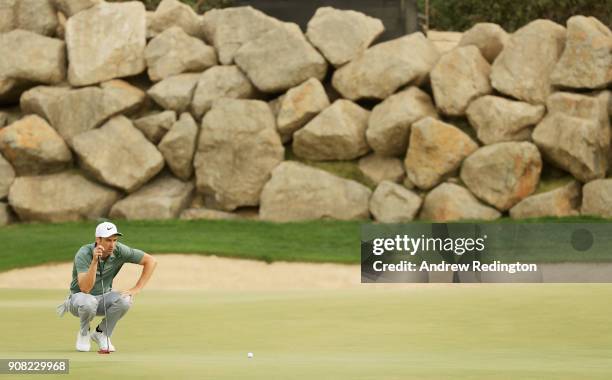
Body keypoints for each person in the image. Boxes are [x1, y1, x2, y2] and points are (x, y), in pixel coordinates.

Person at [57, 221, 157, 352]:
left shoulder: (119, 250)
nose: (112, 244)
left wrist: (137, 288)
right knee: (89, 301)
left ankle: (101, 333)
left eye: (115, 240)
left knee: (125, 299)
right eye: (108, 240)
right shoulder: (84, 253)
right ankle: (84, 332)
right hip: (78, 301)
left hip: (103, 299)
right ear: (98, 240)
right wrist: (94, 262)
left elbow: (151, 261)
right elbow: (85, 289)